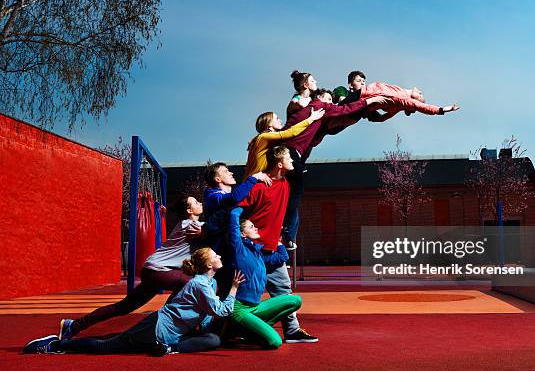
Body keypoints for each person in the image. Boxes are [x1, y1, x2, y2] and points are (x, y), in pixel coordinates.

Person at [24, 248, 244, 355]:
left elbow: (206, 315)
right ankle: (57, 344)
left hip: (168, 333)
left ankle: (170, 347)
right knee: (105, 347)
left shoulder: (209, 284)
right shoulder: (200, 285)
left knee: (213, 339)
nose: (220, 258)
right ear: (208, 265)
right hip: (156, 328)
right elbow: (219, 311)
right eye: (216, 256)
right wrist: (233, 288)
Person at [56, 196, 206, 341]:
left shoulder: (189, 225)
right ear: (189, 211)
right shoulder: (190, 225)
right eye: (196, 202)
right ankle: (171, 325)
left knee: (125, 306)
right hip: (159, 270)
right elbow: (218, 228)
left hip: (154, 269)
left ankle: (73, 326)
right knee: (194, 284)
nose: (200, 203)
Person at [281, 70, 390, 249]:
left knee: (293, 193)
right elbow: (343, 107)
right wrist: (367, 100)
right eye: (312, 80)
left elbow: (348, 111)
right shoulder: (306, 102)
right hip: (290, 150)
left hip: (298, 153)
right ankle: (285, 228)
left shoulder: (319, 105)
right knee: (295, 192)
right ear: (306, 85)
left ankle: (289, 234)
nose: (316, 80)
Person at [240, 146, 317, 343]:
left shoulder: (286, 184)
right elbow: (235, 209)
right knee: (245, 295)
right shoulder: (258, 186)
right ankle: (234, 328)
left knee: (284, 291)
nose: (294, 161)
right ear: (280, 164)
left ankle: (292, 330)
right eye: (289, 158)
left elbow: (298, 169)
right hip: (252, 251)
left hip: (272, 249)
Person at [227, 207, 302, 349]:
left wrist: (278, 242)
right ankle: (243, 329)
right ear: (242, 233)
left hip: (256, 307)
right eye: (251, 227)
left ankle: (253, 330)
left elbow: (282, 257)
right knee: (275, 342)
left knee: (295, 300)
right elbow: (233, 216)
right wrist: (242, 204)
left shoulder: (258, 253)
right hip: (240, 309)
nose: (256, 229)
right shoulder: (238, 249)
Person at [243, 106, 324, 178]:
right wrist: (311, 118)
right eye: (277, 118)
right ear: (269, 123)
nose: (280, 120)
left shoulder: (269, 139)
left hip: (261, 180)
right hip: (253, 182)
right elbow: (290, 132)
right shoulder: (264, 137)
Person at [338, 70, 460, 116]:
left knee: (339, 107)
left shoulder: (404, 99)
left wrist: (441, 110)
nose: (420, 91)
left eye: (421, 96)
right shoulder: (401, 92)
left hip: (363, 96)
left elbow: (422, 107)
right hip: (365, 97)